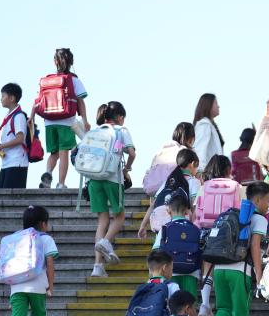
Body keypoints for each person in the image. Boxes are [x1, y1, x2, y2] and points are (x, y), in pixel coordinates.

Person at [210, 181, 269, 316]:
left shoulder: (232, 215)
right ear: (258, 200)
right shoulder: (259, 219)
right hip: (239, 271)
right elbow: (255, 245)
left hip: (219, 269)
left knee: (224, 309)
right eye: (268, 200)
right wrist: (259, 274)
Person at [87, 101, 137, 278]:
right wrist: (126, 169)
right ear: (120, 117)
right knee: (119, 216)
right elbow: (131, 153)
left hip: (93, 179)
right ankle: (106, 242)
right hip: (112, 178)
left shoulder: (95, 131)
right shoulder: (121, 130)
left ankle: (97, 266)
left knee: (102, 220)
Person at [36, 48, 89, 189]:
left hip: (49, 122)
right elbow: (80, 102)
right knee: (64, 151)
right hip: (66, 121)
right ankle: (61, 183)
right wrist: (85, 120)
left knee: (54, 153)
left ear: (55, 61)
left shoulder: (48, 80)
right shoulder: (74, 80)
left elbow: (38, 101)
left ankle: (48, 173)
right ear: (72, 62)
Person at [196, 155, 237, 316]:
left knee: (207, 267)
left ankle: (205, 304)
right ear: (228, 169)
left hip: (207, 230)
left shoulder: (204, 187)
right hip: (228, 231)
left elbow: (197, 212)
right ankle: (226, 306)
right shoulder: (236, 186)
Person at [138, 149, 203, 240]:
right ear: (192, 164)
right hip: (181, 229)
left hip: (160, 226)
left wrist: (143, 226)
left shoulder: (168, 182)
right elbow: (194, 207)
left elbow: (153, 205)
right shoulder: (194, 182)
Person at [152, 195, 202, 297]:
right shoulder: (196, 229)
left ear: (169, 210)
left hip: (170, 272)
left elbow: (156, 251)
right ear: (187, 211)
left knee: (172, 301)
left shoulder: (165, 228)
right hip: (191, 272)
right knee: (190, 302)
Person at [0, 83, 31, 189]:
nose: (1, 99)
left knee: (10, 196)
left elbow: (20, 139)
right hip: (7, 162)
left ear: (12, 98)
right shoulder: (9, 115)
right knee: (1, 196)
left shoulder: (19, 116)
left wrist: (0, 146)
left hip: (17, 163)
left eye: (3, 96)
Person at [144, 122, 195, 196]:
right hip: (174, 191)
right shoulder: (185, 152)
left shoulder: (160, 152)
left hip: (154, 190)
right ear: (191, 138)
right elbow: (194, 172)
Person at [193, 93, 225, 172]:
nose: (218, 106)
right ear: (208, 105)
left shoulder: (210, 125)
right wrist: (200, 172)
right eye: (216, 103)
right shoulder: (204, 125)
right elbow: (199, 150)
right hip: (208, 174)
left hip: (214, 172)